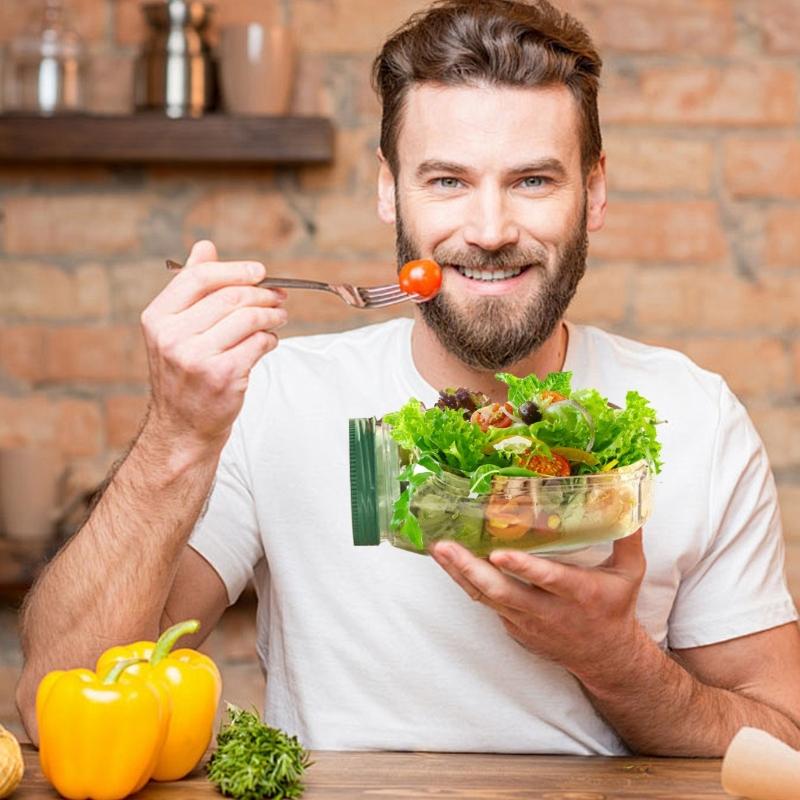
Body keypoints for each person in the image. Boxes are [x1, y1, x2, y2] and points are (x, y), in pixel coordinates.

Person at [16, 0, 800, 756]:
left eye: (532, 181)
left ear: (592, 191)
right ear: (390, 187)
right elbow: (59, 694)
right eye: (447, 181)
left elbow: (784, 737)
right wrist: (174, 436)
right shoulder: (281, 396)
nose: (489, 232)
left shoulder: (693, 415)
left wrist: (611, 657)